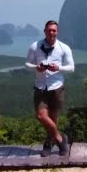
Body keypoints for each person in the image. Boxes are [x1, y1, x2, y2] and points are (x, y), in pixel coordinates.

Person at [25, 20, 74, 157]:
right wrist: (37, 67)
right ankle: (60, 139)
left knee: (53, 120)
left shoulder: (64, 48)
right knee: (41, 116)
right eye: (49, 30)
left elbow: (71, 67)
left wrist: (59, 68)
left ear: (57, 32)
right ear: (45, 31)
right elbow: (27, 64)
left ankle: (48, 144)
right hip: (40, 87)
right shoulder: (35, 46)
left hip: (57, 87)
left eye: (54, 30)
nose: (51, 32)